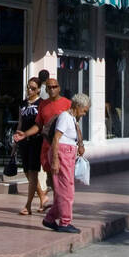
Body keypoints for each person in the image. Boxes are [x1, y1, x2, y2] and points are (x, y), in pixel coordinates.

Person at [42, 93, 90, 234]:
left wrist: (80, 144)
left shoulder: (73, 118)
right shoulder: (65, 117)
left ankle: (50, 218)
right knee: (67, 191)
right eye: (85, 110)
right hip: (62, 153)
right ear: (78, 106)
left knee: (63, 190)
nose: (85, 113)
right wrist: (55, 160)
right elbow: (56, 139)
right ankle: (65, 222)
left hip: (67, 153)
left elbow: (74, 134)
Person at [13, 77, 72, 176]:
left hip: (64, 145)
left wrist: (80, 144)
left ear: (59, 88)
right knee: (50, 177)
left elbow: (75, 125)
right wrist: (25, 134)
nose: (52, 89)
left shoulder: (67, 103)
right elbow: (38, 125)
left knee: (63, 176)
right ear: (46, 90)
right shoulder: (43, 105)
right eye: (49, 87)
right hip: (48, 145)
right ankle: (45, 191)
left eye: (55, 87)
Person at [14, 78, 48, 216]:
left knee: (33, 172)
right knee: (27, 172)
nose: (30, 90)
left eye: (33, 88)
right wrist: (15, 142)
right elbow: (20, 122)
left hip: (36, 141)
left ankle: (28, 205)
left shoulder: (42, 104)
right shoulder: (23, 104)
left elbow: (43, 124)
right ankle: (43, 197)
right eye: (28, 87)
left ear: (39, 89)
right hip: (23, 141)